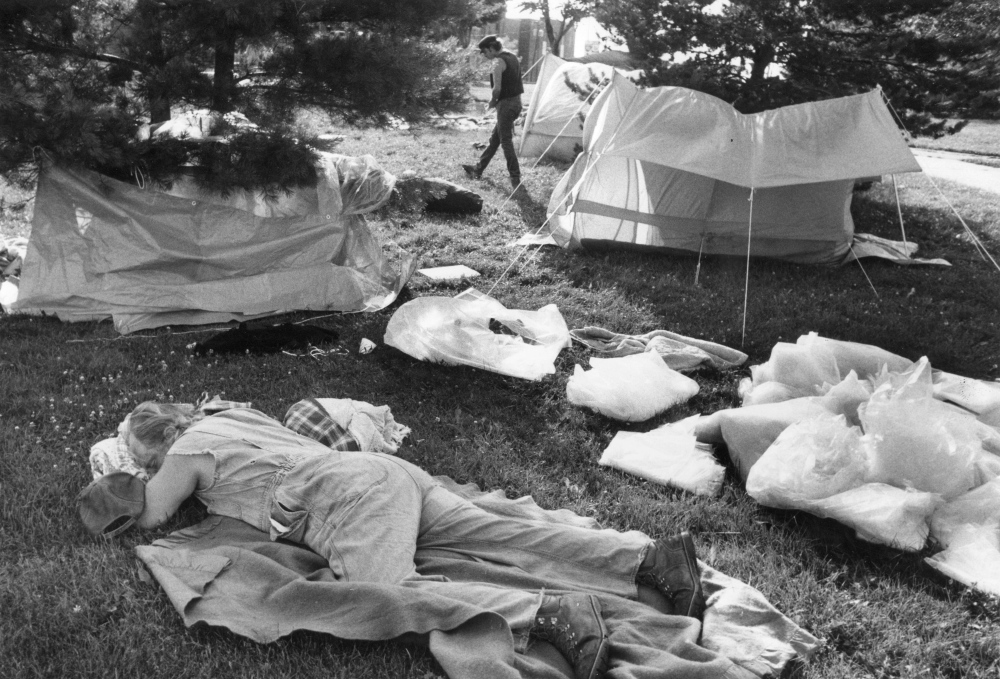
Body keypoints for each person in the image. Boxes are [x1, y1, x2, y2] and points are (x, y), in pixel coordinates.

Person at [123, 402, 705, 679]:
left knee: (383, 589)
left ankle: (548, 614)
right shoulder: (233, 415)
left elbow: (150, 516)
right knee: (494, 530)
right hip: (386, 474)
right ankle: (652, 562)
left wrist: (125, 476)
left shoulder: (183, 454)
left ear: (151, 446)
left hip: (347, 497)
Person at [462, 35, 524, 190]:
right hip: (517, 103)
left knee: (506, 141)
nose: (484, 55)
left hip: (506, 105)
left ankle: (515, 176)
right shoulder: (513, 57)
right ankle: (478, 169)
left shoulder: (497, 62)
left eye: (484, 52)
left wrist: (492, 102)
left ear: (491, 48)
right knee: (495, 140)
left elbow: (497, 88)